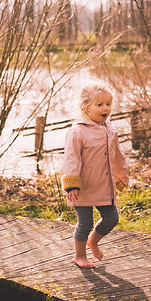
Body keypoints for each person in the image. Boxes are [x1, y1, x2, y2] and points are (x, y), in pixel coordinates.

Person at [60, 83, 129, 268]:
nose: (105, 108)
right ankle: (80, 255)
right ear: (85, 108)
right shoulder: (77, 131)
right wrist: (72, 184)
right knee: (85, 223)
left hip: (104, 184)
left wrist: (121, 175)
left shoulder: (109, 130)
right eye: (99, 105)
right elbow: (71, 159)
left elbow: (117, 155)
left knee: (112, 218)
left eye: (108, 103)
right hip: (82, 187)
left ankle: (93, 241)